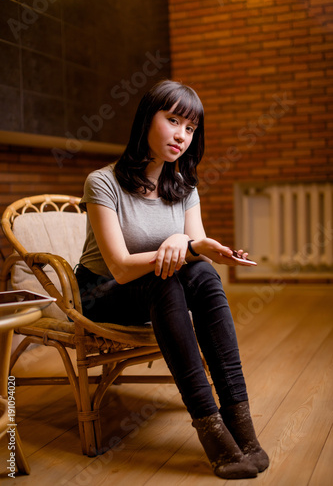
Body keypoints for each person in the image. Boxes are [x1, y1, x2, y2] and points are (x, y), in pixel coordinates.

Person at [75, 79, 269, 480]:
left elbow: (193, 247)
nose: (182, 135)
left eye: (191, 128)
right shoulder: (103, 182)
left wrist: (197, 245)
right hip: (101, 291)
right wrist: (187, 245)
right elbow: (122, 267)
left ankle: (241, 424)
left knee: (201, 272)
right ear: (148, 119)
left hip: (156, 287)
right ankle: (210, 427)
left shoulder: (183, 187)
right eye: (174, 120)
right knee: (167, 279)